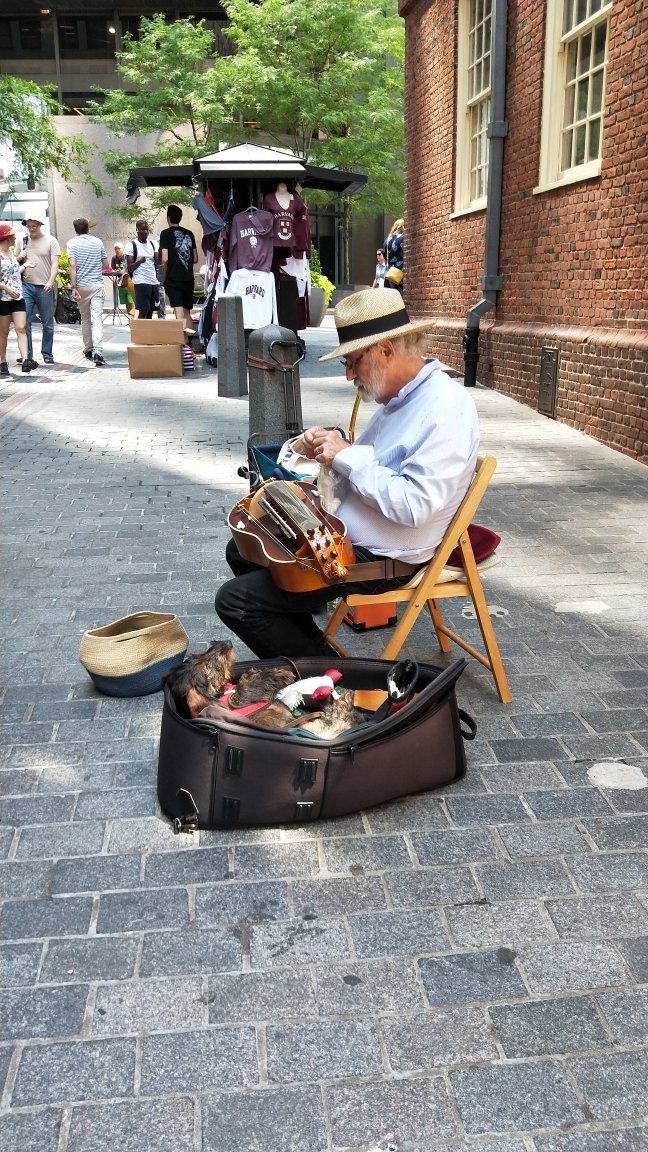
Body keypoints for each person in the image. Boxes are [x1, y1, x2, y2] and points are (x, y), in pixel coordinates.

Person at [215, 289, 479, 658]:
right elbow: (367, 469)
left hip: (383, 558)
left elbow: (415, 506)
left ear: (386, 350)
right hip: (346, 541)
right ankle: (313, 650)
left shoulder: (445, 408)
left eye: (353, 361)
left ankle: (331, 676)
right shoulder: (399, 397)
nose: (349, 375)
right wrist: (329, 450)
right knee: (243, 549)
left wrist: (347, 457)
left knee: (237, 602)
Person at [67, 218, 109, 365]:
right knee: (97, 319)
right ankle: (98, 351)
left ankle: (88, 348)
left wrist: (73, 287)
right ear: (88, 229)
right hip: (97, 285)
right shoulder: (98, 242)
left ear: (75, 230)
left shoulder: (71, 244)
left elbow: (72, 267)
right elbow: (106, 264)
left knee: (85, 318)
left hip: (81, 287)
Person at [20, 215, 60, 366]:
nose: (31, 229)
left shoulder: (51, 241)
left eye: (34, 226)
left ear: (40, 225)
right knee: (25, 322)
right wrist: (20, 256)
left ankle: (47, 353)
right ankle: (27, 355)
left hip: (44, 286)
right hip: (27, 285)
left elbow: (55, 264)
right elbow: (14, 262)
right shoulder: (22, 241)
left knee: (48, 322)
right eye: (29, 226)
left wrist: (51, 281)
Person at [0, 223, 35, 375]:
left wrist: (25, 265)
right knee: (3, 332)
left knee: (21, 328)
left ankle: (26, 360)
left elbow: (13, 273)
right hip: (4, 299)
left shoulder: (11, 255)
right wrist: (7, 288)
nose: (15, 238)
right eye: (13, 235)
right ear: (6, 237)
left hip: (18, 297)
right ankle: (2, 361)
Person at [159, 205, 197, 325]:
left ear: (168, 218)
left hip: (173, 279)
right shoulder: (189, 234)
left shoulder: (165, 234)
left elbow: (165, 258)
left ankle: (182, 342)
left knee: (179, 312)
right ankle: (189, 341)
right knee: (187, 313)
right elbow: (195, 258)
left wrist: (165, 268)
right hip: (188, 279)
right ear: (180, 218)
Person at [124, 221, 158, 320]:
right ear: (137, 230)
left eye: (147, 230)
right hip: (141, 282)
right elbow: (130, 267)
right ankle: (139, 333)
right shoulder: (131, 245)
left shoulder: (153, 244)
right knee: (142, 311)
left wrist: (161, 251)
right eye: (142, 229)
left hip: (153, 281)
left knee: (150, 312)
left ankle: (147, 334)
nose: (145, 232)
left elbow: (158, 261)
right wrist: (139, 262)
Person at [111, 243, 135, 315]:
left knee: (130, 299)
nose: (117, 250)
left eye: (119, 249)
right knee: (125, 300)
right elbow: (112, 269)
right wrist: (116, 270)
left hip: (128, 280)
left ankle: (132, 317)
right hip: (120, 281)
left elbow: (127, 268)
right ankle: (129, 316)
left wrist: (122, 271)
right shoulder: (114, 258)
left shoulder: (126, 257)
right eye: (116, 249)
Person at [383, 218, 404, 293]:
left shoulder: (387, 240)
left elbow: (384, 256)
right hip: (399, 273)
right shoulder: (402, 238)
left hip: (389, 272)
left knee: (391, 296)